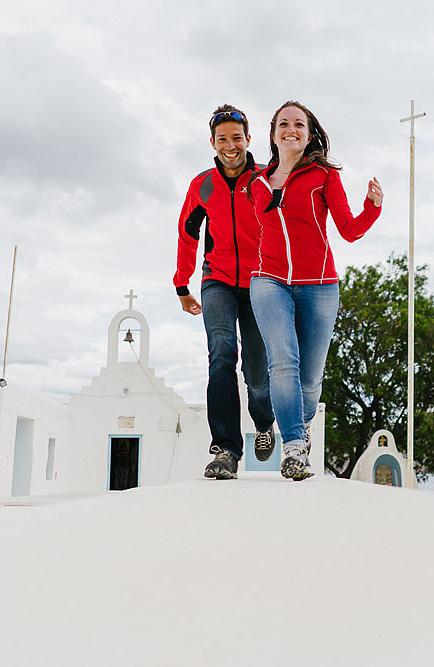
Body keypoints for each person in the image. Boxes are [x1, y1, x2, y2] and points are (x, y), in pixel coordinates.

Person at [248, 101, 383, 481]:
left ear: (309, 134)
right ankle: (293, 446)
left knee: (310, 378)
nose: (291, 129)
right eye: (284, 123)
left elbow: (349, 230)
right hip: (268, 280)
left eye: (299, 124)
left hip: (319, 285)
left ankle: (300, 426)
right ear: (273, 133)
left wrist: (371, 207)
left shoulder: (323, 176)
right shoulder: (256, 184)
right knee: (283, 361)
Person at [173, 104, 276, 480]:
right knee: (221, 355)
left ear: (249, 140)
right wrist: (182, 284)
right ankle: (225, 449)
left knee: (258, 371)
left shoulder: (267, 178)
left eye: (236, 138)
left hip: (262, 281)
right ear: (212, 143)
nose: (230, 145)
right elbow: (188, 234)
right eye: (222, 139)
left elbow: (288, 229)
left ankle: (264, 423)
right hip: (217, 280)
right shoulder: (202, 185)